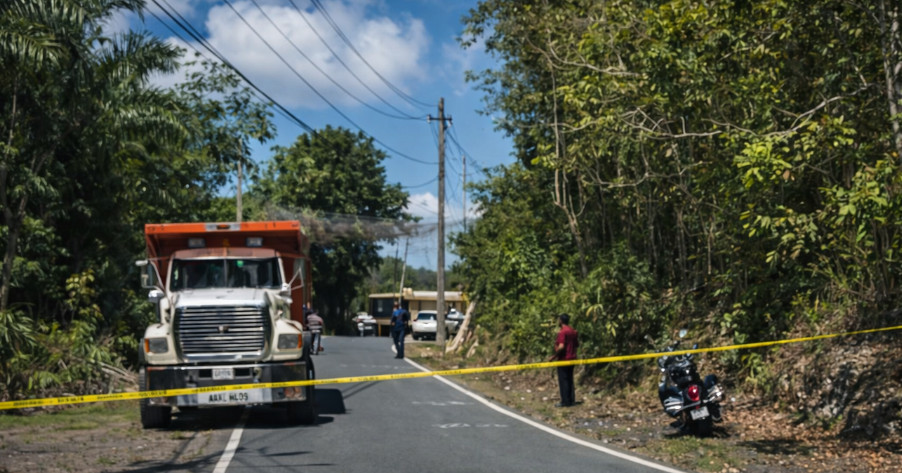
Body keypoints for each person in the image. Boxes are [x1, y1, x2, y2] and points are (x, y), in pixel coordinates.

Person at [548, 313, 578, 407]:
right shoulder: (573, 331)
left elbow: (561, 346)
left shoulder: (563, 332)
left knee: (563, 380)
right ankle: (571, 400)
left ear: (561, 321)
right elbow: (577, 344)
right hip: (572, 358)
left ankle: (565, 401)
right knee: (570, 379)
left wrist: (554, 356)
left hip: (564, 359)